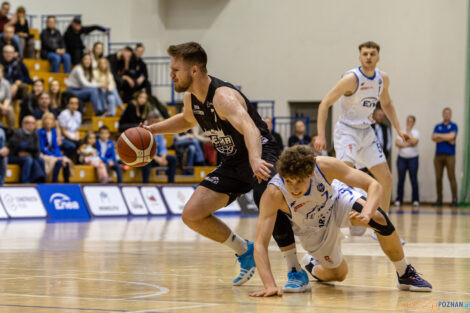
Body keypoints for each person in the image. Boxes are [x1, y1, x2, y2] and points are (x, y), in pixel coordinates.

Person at [142, 42, 302, 290]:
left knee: (265, 198)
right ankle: (243, 250)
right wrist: (153, 130)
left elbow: (250, 128)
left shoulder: (223, 97)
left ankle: (295, 270)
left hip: (261, 150)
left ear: (194, 71)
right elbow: (186, 120)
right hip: (233, 160)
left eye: (175, 69)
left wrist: (255, 159)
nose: (171, 73)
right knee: (192, 214)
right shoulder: (191, 98)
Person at [250, 145, 432, 297]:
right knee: (339, 274)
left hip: (335, 201)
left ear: (310, 174)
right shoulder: (274, 193)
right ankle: (313, 266)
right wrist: (270, 285)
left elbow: (373, 185)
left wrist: (367, 213)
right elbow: (260, 244)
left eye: (299, 181)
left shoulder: (325, 166)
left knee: (379, 218)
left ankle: (405, 273)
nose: (294, 187)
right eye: (289, 181)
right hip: (311, 227)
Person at [314, 41, 409, 219]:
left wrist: (399, 129)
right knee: (344, 179)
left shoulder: (382, 78)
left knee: (386, 179)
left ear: (378, 57)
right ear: (359, 57)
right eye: (365, 54)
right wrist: (320, 135)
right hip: (347, 131)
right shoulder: (351, 79)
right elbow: (324, 104)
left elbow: (387, 104)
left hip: (367, 132)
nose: (368, 57)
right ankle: (334, 219)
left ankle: (381, 224)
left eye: (372, 54)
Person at [431, 107, 458, 207]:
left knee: (451, 177)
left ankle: (454, 200)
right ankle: (439, 200)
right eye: (445, 113)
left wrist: (440, 136)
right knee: (438, 178)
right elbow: (433, 138)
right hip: (438, 156)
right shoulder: (438, 126)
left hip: (450, 155)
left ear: (450, 115)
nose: (446, 115)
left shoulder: (454, 125)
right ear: (443, 115)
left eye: (448, 113)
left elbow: (452, 137)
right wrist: (447, 137)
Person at [8, 115, 45, 183]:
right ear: (23, 124)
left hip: (30, 156)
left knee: (41, 160)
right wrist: (28, 149)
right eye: (28, 123)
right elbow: (14, 150)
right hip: (13, 157)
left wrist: (27, 151)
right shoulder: (17, 133)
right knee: (28, 159)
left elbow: (37, 151)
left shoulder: (35, 134)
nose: (31, 125)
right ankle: (25, 182)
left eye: (33, 123)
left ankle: (41, 181)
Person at [141, 113, 177, 183]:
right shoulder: (141, 130)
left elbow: (163, 147)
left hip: (157, 157)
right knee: (146, 161)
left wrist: (163, 158)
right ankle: (145, 184)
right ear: (148, 121)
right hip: (145, 157)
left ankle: (171, 184)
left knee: (173, 159)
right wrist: (158, 159)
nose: (155, 124)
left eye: (156, 122)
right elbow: (144, 150)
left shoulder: (157, 131)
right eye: (153, 122)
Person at [38, 112, 72, 183]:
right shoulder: (40, 132)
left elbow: (55, 146)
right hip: (43, 153)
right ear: (43, 121)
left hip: (52, 152)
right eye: (46, 119)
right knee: (58, 161)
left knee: (66, 161)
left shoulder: (54, 131)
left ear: (53, 121)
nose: (48, 121)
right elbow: (42, 148)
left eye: (50, 119)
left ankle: (67, 182)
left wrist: (59, 155)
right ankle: (54, 182)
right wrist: (54, 156)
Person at [395, 115, 419, 208]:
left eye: (411, 121)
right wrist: (408, 143)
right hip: (401, 158)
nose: (409, 123)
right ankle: (399, 199)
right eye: (408, 121)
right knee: (401, 179)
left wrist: (404, 142)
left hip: (413, 158)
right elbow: (397, 143)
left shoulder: (416, 132)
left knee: (413, 179)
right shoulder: (401, 132)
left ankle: (415, 200)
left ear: (413, 123)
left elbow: (414, 142)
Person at [0, 63, 13, 128]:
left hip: (3, 105)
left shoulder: (6, 83)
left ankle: (11, 130)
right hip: (1, 105)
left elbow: (8, 97)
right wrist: (2, 107)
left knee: (10, 109)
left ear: (2, 73)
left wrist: (5, 107)